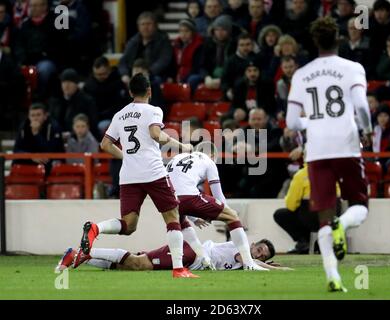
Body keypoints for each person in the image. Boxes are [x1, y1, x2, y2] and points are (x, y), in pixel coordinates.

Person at [75, 73, 197, 278]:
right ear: (149, 91)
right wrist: (182, 146)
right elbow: (156, 134)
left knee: (128, 225)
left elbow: (105, 144)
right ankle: (178, 269)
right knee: (173, 217)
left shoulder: (120, 114)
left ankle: (97, 228)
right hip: (153, 172)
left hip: (129, 176)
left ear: (130, 92)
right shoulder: (153, 110)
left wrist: (126, 157)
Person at [286, 17, 372, 292]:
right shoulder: (352, 68)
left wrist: (313, 122)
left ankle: (333, 277)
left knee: (323, 217)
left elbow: (291, 123)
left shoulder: (301, 74)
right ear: (338, 39)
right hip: (346, 145)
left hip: (317, 150)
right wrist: (366, 130)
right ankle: (342, 224)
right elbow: (360, 105)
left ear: (314, 42)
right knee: (359, 205)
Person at [165, 141, 268, 270]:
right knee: (232, 216)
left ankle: (202, 259)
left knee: (182, 222)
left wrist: (194, 218)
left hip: (167, 199)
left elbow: (176, 188)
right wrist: (225, 214)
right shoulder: (208, 160)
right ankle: (249, 263)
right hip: (187, 196)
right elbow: (218, 195)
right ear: (213, 155)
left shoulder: (176, 158)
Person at [57, 238, 288, 272]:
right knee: (139, 264)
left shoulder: (250, 262)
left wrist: (266, 264)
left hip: (190, 257)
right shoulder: (243, 247)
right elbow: (244, 260)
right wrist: (277, 269)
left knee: (127, 266)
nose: (257, 252)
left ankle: (82, 257)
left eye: (262, 254)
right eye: (259, 248)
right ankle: (83, 252)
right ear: (254, 244)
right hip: (192, 254)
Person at [274, 163, 341, 254]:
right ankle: (322, 241)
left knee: (281, 215)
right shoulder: (333, 172)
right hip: (332, 217)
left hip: (310, 220)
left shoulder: (301, 175)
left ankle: (304, 242)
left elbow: (291, 205)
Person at [13, 103, 64, 171]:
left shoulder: (54, 127)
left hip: (48, 160)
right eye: (32, 115)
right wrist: (31, 156)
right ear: (29, 117)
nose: (35, 118)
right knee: (17, 162)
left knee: (50, 162)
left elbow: (52, 150)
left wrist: (36, 134)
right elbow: (17, 150)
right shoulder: (23, 127)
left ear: (45, 116)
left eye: (38, 115)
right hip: (30, 159)